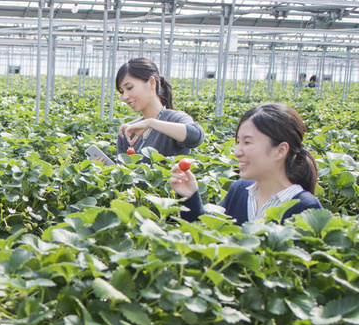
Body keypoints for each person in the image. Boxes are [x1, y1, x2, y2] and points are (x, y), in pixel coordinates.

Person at [170, 103, 322, 224]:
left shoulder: (306, 208)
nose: (237, 151)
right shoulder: (240, 190)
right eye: (238, 142)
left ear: (280, 150)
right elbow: (208, 238)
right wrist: (190, 197)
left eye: (247, 142)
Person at [116, 58, 205, 159]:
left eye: (130, 88)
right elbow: (123, 168)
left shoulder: (175, 119)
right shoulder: (129, 130)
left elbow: (195, 136)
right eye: (122, 92)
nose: (125, 97)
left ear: (151, 82)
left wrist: (151, 123)